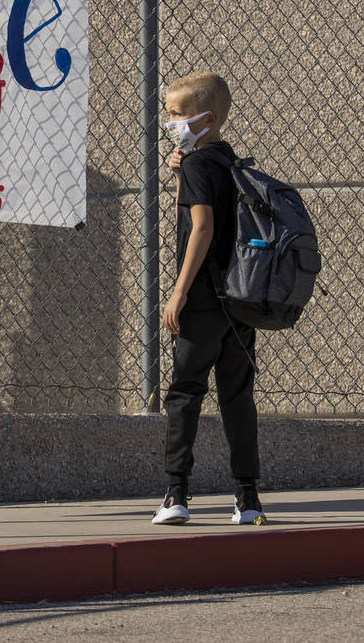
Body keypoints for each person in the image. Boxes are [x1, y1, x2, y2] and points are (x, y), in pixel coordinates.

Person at [152, 72, 265, 526]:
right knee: (237, 397)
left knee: (185, 393)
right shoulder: (228, 162)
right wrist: (180, 175)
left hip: (201, 301)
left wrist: (178, 293)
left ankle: (176, 493)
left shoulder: (199, 165)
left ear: (208, 118)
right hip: (238, 300)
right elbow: (199, 213)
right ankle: (248, 499)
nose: (171, 122)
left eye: (177, 115)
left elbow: (200, 227)